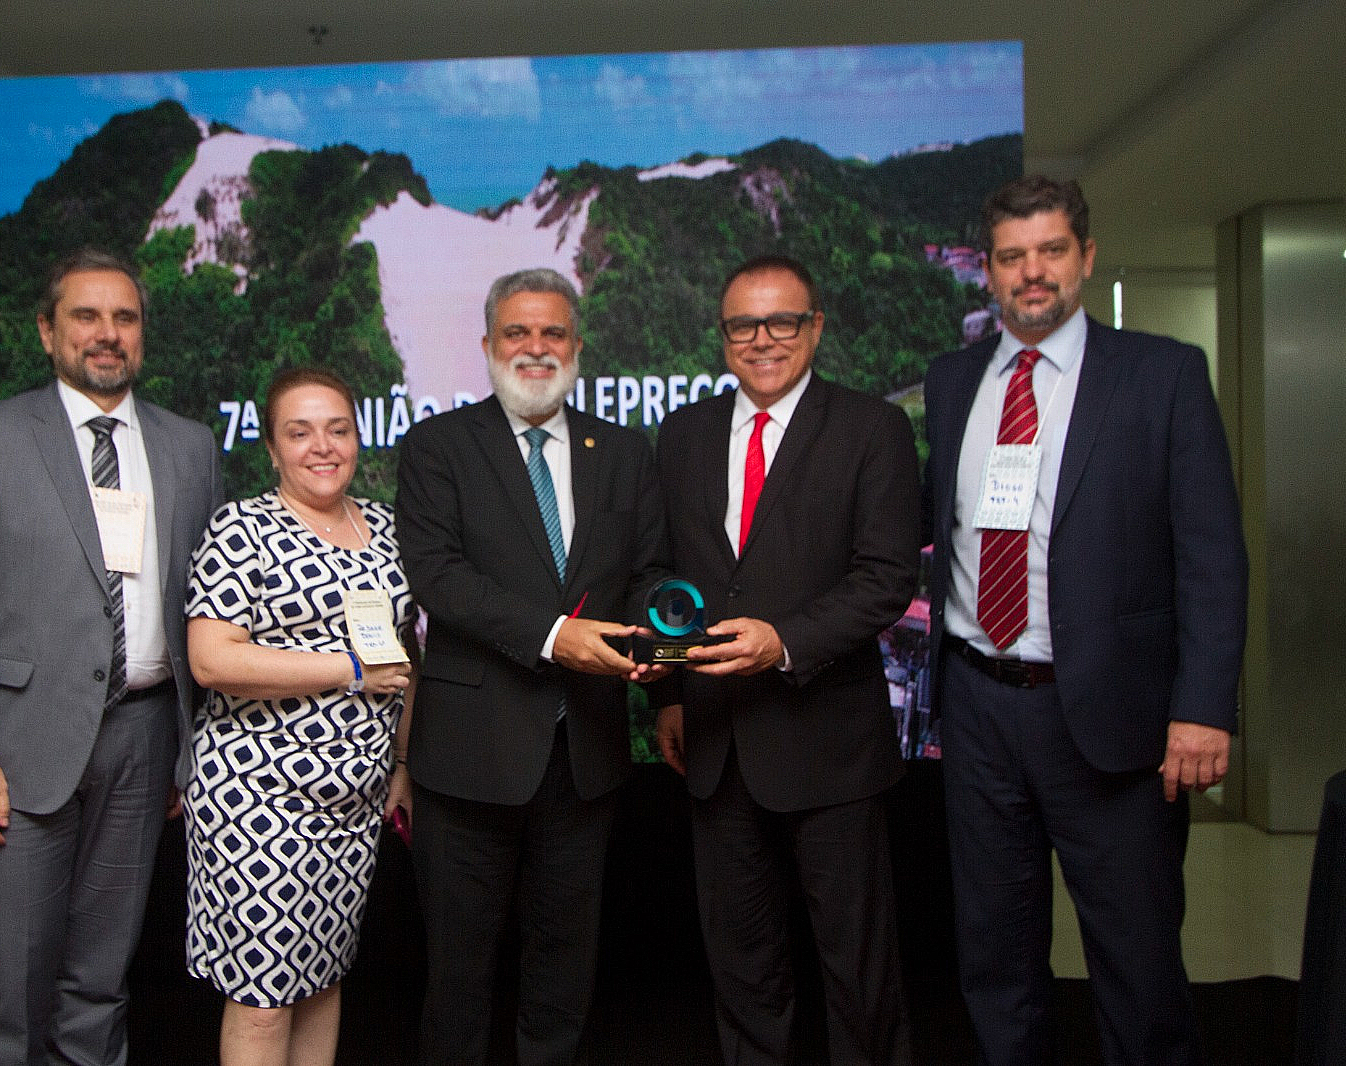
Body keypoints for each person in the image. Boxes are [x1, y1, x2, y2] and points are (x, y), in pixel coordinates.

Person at [922, 175, 1247, 1066]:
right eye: (1012, 256)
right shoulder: (952, 382)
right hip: (978, 709)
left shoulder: (1163, 374)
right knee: (995, 952)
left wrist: (1203, 708)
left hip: (1112, 714)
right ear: (987, 270)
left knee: (1136, 958)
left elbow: (1213, 557)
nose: (1033, 272)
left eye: (1052, 251)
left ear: (1087, 257)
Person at [0, 248, 223, 1066]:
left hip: (144, 745)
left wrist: (187, 751)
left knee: (100, 980)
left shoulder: (190, 447)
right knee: (8, 988)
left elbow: (206, 604)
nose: (107, 333)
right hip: (12, 749)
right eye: (86, 316)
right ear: (48, 331)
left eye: (125, 317)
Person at [394, 267, 669, 1066]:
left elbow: (649, 573)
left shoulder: (624, 451)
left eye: (553, 332)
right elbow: (438, 577)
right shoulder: (439, 447)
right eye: (518, 332)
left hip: (584, 756)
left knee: (563, 972)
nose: (536, 347)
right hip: (468, 758)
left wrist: (658, 648)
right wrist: (557, 636)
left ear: (578, 345)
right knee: (457, 976)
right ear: (488, 344)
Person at [655, 254, 918, 1066]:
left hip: (829, 742)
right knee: (742, 967)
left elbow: (886, 578)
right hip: (716, 743)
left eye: (782, 321)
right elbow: (667, 573)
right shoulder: (685, 434)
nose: (761, 339)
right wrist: (669, 694)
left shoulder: (873, 428)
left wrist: (785, 640)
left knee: (857, 966)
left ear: (816, 327)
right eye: (743, 324)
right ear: (722, 335)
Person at [184, 366, 417, 1066]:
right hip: (258, 797)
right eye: (300, 432)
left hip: (355, 801)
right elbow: (212, 659)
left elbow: (408, 658)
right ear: (272, 448)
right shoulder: (242, 529)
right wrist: (347, 669)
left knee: (322, 975)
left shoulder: (387, 527)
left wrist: (401, 765)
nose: (322, 446)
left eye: (337, 429)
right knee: (264, 997)